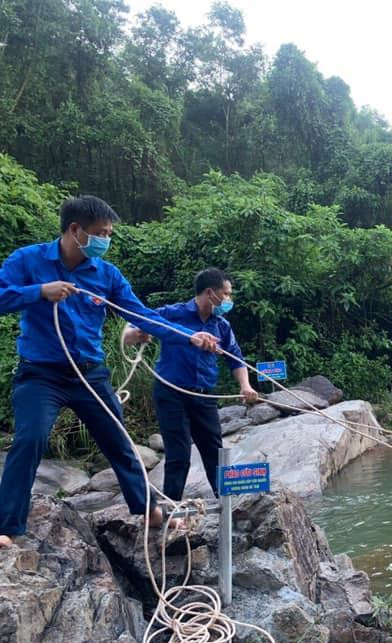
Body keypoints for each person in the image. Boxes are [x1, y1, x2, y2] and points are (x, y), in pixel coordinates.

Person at [0, 195, 220, 549]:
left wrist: (189, 336)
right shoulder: (28, 260)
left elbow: (143, 316)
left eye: (109, 234)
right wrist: (39, 291)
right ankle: (8, 527)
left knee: (120, 444)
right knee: (30, 439)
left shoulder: (107, 275)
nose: (106, 240)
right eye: (100, 233)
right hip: (40, 374)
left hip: (90, 374)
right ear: (75, 230)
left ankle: (148, 510)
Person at [123, 268, 258, 502]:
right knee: (179, 454)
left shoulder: (221, 325)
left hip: (204, 395)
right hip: (171, 393)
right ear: (210, 293)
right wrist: (135, 335)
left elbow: (235, 358)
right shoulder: (173, 314)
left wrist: (245, 386)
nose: (228, 300)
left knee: (215, 452)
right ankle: (171, 508)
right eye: (225, 294)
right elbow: (133, 323)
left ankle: (229, 507)